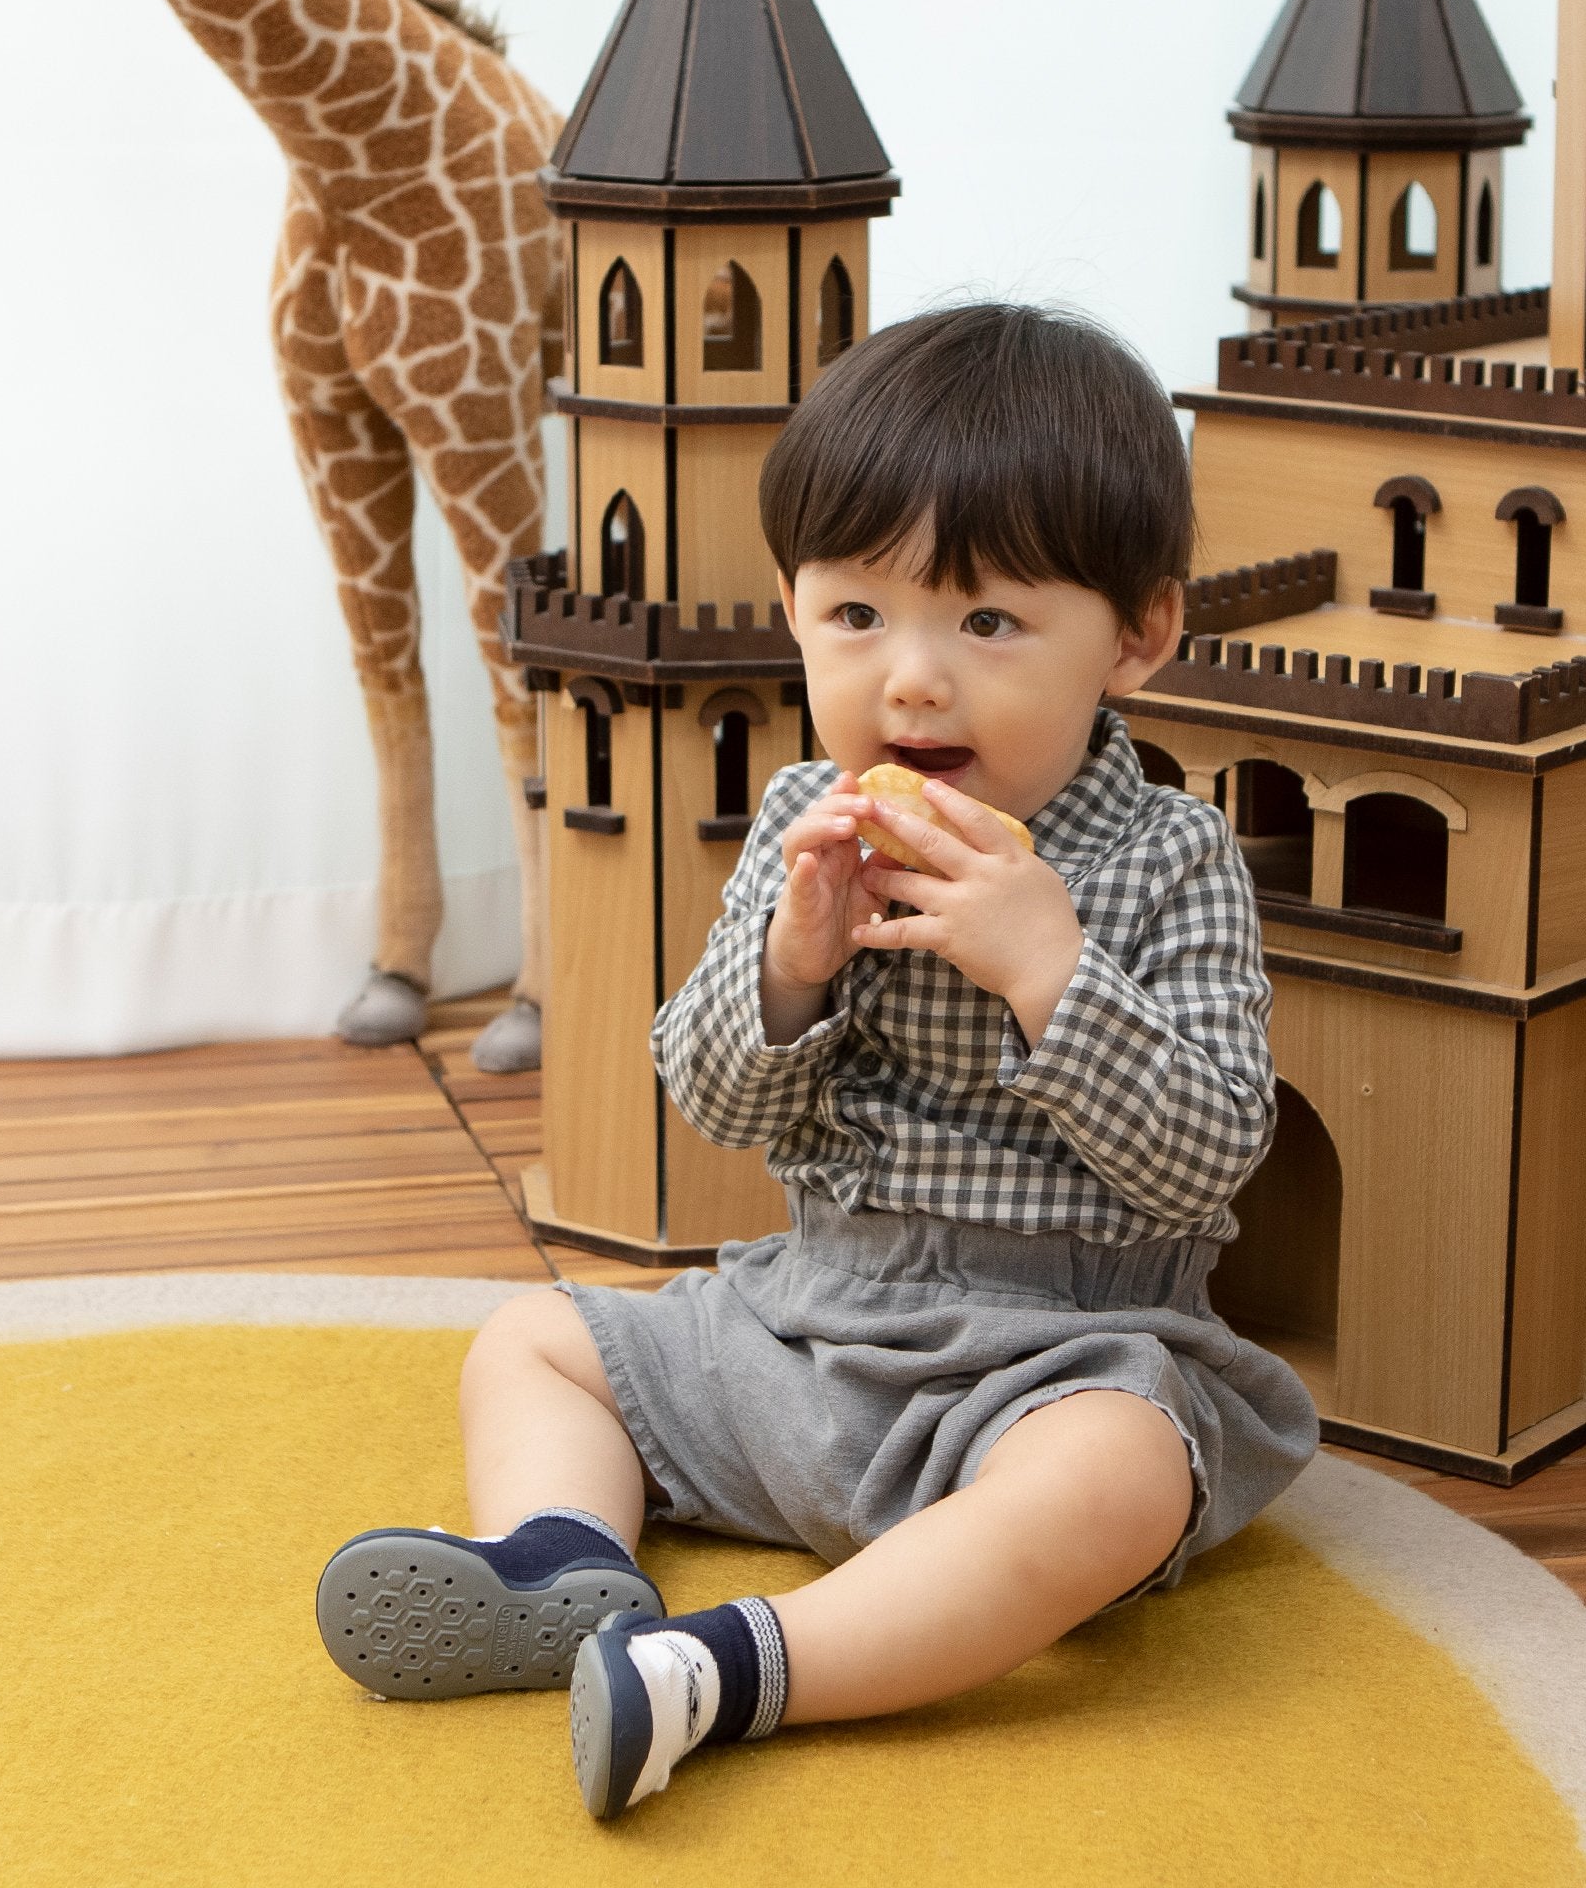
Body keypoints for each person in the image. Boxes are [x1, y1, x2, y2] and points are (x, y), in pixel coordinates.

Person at [315, 302, 1319, 1819]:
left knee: (1121, 1474)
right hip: (802, 1331)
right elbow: (711, 1094)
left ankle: (732, 1665)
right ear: (792, 610)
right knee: (533, 1342)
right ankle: (562, 1570)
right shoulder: (805, 821)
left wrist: (1049, 964)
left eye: (987, 624)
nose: (910, 681)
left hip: (1044, 1369)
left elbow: (1210, 1152)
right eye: (858, 618)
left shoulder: (1171, 861)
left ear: (1139, 635)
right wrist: (791, 965)